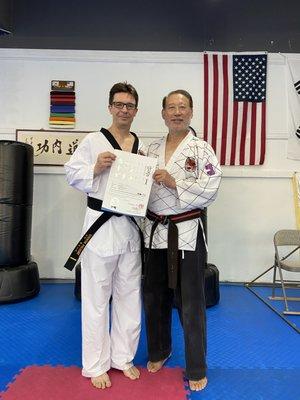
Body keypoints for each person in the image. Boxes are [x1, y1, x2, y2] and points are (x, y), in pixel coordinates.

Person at [64, 82, 143, 389]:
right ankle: (95, 364)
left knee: (128, 296)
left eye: (130, 105)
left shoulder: (139, 143)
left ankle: (122, 358)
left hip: (130, 229)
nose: (124, 110)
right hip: (99, 226)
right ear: (110, 107)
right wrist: (95, 168)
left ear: (136, 110)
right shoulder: (93, 141)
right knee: (96, 298)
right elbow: (71, 172)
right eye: (119, 104)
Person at [142, 89, 222, 391]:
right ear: (163, 113)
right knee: (154, 297)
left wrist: (175, 182)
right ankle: (160, 350)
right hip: (154, 233)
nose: (177, 112)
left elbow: (212, 187)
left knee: (191, 302)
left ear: (191, 112)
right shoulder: (149, 150)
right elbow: (138, 191)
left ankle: (197, 366)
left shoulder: (202, 150)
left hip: (186, 233)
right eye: (171, 107)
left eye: (183, 107)